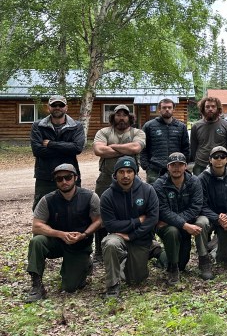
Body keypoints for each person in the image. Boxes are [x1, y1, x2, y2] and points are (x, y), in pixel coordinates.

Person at [25, 164, 101, 302]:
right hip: (56, 242)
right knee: (37, 241)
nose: (64, 181)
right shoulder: (47, 199)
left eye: (68, 177)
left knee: (70, 287)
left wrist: (83, 234)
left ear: (75, 178)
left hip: (80, 244)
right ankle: (36, 285)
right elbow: (36, 227)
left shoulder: (90, 197)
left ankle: (85, 264)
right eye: (59, 179)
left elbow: (98, 221)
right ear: (55, 181)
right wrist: (60, 234)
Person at [93, 104, 146, 261]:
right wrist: (125, 149)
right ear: (113, 117)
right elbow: (98, 150)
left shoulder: (137, 132)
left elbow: (136, 147)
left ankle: (135, 244)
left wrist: (113, 146)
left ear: (130, 117)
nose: (121, 117)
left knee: (135, 210)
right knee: (100, 212)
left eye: (124, 115)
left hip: (132, 179)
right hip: (105, 178)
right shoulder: (103, 132)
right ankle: (99, 251)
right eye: (118, 115)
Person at [100, 156, 159, 298]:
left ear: (135, 173)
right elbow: (110, 224)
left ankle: (151, 249)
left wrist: (132, 235)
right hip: (118, 236)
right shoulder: (107, 195)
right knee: (110, 244)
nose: (125, 175)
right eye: (121, 172)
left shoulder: (148, 190)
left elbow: (152, 219)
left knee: (135, 280)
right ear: (115, 174)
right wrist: (137, 221)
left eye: (129, 171)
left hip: (140, 237)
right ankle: (113, 285)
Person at [153, 152, 209, 284]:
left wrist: (181, 223)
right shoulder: (159, 184)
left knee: (183, 264)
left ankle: (204, 260)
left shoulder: (194, 181)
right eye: (173, 165)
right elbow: (163, 210)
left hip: (186, 223)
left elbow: (196, 207)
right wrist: (184, 225)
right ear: (168, 167)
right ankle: (172, 268)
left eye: (180, 165)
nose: (176, 168)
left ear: (186, 167)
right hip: (168, 226)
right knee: (173, 231)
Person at [30, 94, 86, 209]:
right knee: (41, 208)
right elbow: (37, 151)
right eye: (54, 105)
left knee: (74, 207)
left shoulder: (76, 126)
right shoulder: (38, 126)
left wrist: (51, 144)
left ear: (66, 107)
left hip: (70, 175)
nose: (57, 107)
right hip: (45, 176)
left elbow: (77, 148)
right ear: (48, 107)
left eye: (61, 105)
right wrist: (66, 149)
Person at [198, 146, 227, 271]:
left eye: (222, 157)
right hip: (210, 217)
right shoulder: (202, 179)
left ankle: (214, 246)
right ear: (210, 160)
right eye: (215, 157)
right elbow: (201, 205)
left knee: (223, 257)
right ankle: (203, 257)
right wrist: (218, 218)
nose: (219, 159)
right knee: (200, 224)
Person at [142, 98, 191, 183]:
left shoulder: (181, 127)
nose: (167, 110)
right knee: (153, 194)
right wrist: (146, 166)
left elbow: (186, 148)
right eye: (164, 108)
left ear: (173, 109)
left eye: (169, 107)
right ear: (159, 110)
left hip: (176, 167)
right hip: (155, 169)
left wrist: (183, 164)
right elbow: (143, 148)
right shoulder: (149, 126)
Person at [190, 96, 227, 175]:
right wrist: (196, 161)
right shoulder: (196, 126)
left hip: (220, 164)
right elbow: (193, 147)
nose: (210, 109)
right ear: (203, 109)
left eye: (213, 106)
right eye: (207, 106)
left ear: (218, 108)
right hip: (200, 165)